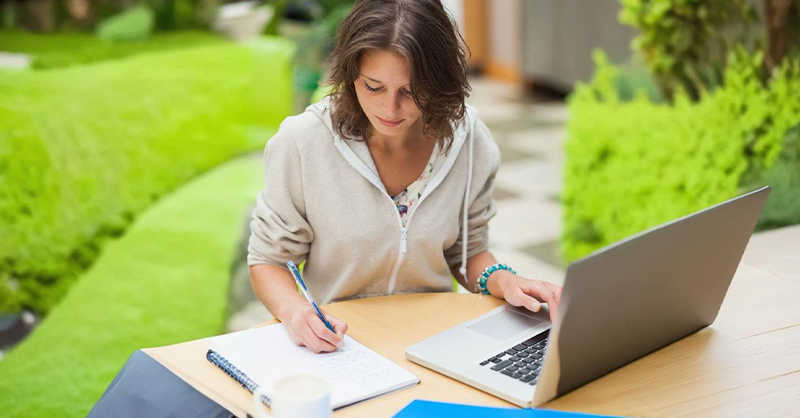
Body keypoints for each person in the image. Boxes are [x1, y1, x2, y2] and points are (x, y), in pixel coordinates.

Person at [248, 0, 562, 354]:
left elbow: (469, 253)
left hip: (438, 340)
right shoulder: (304, 142)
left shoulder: (469, 139)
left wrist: (506, 281)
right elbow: (269, 261)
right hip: (339, 345)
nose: (390, 109)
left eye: (410, 91)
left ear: (440, 80)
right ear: (351, 75)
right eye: (373, 86)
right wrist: (295, 311)